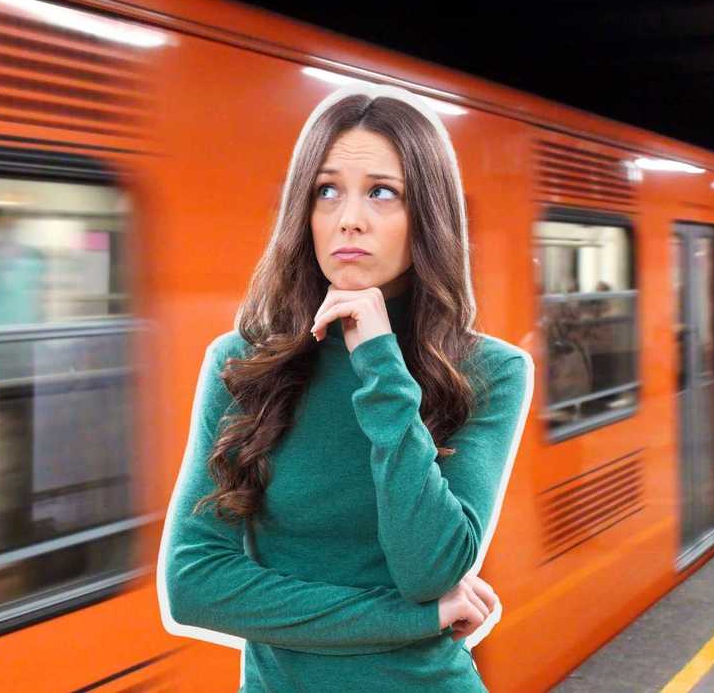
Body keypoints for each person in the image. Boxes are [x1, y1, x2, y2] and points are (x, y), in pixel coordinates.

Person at [156, 81, 534, 692]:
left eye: (383, 193)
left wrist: (379, 363)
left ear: (427, 216)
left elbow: (428, 568)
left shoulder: (488, 372)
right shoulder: (244, 365)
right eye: (326, 191)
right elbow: (194, 584)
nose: (349, 219)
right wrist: (413, 619)